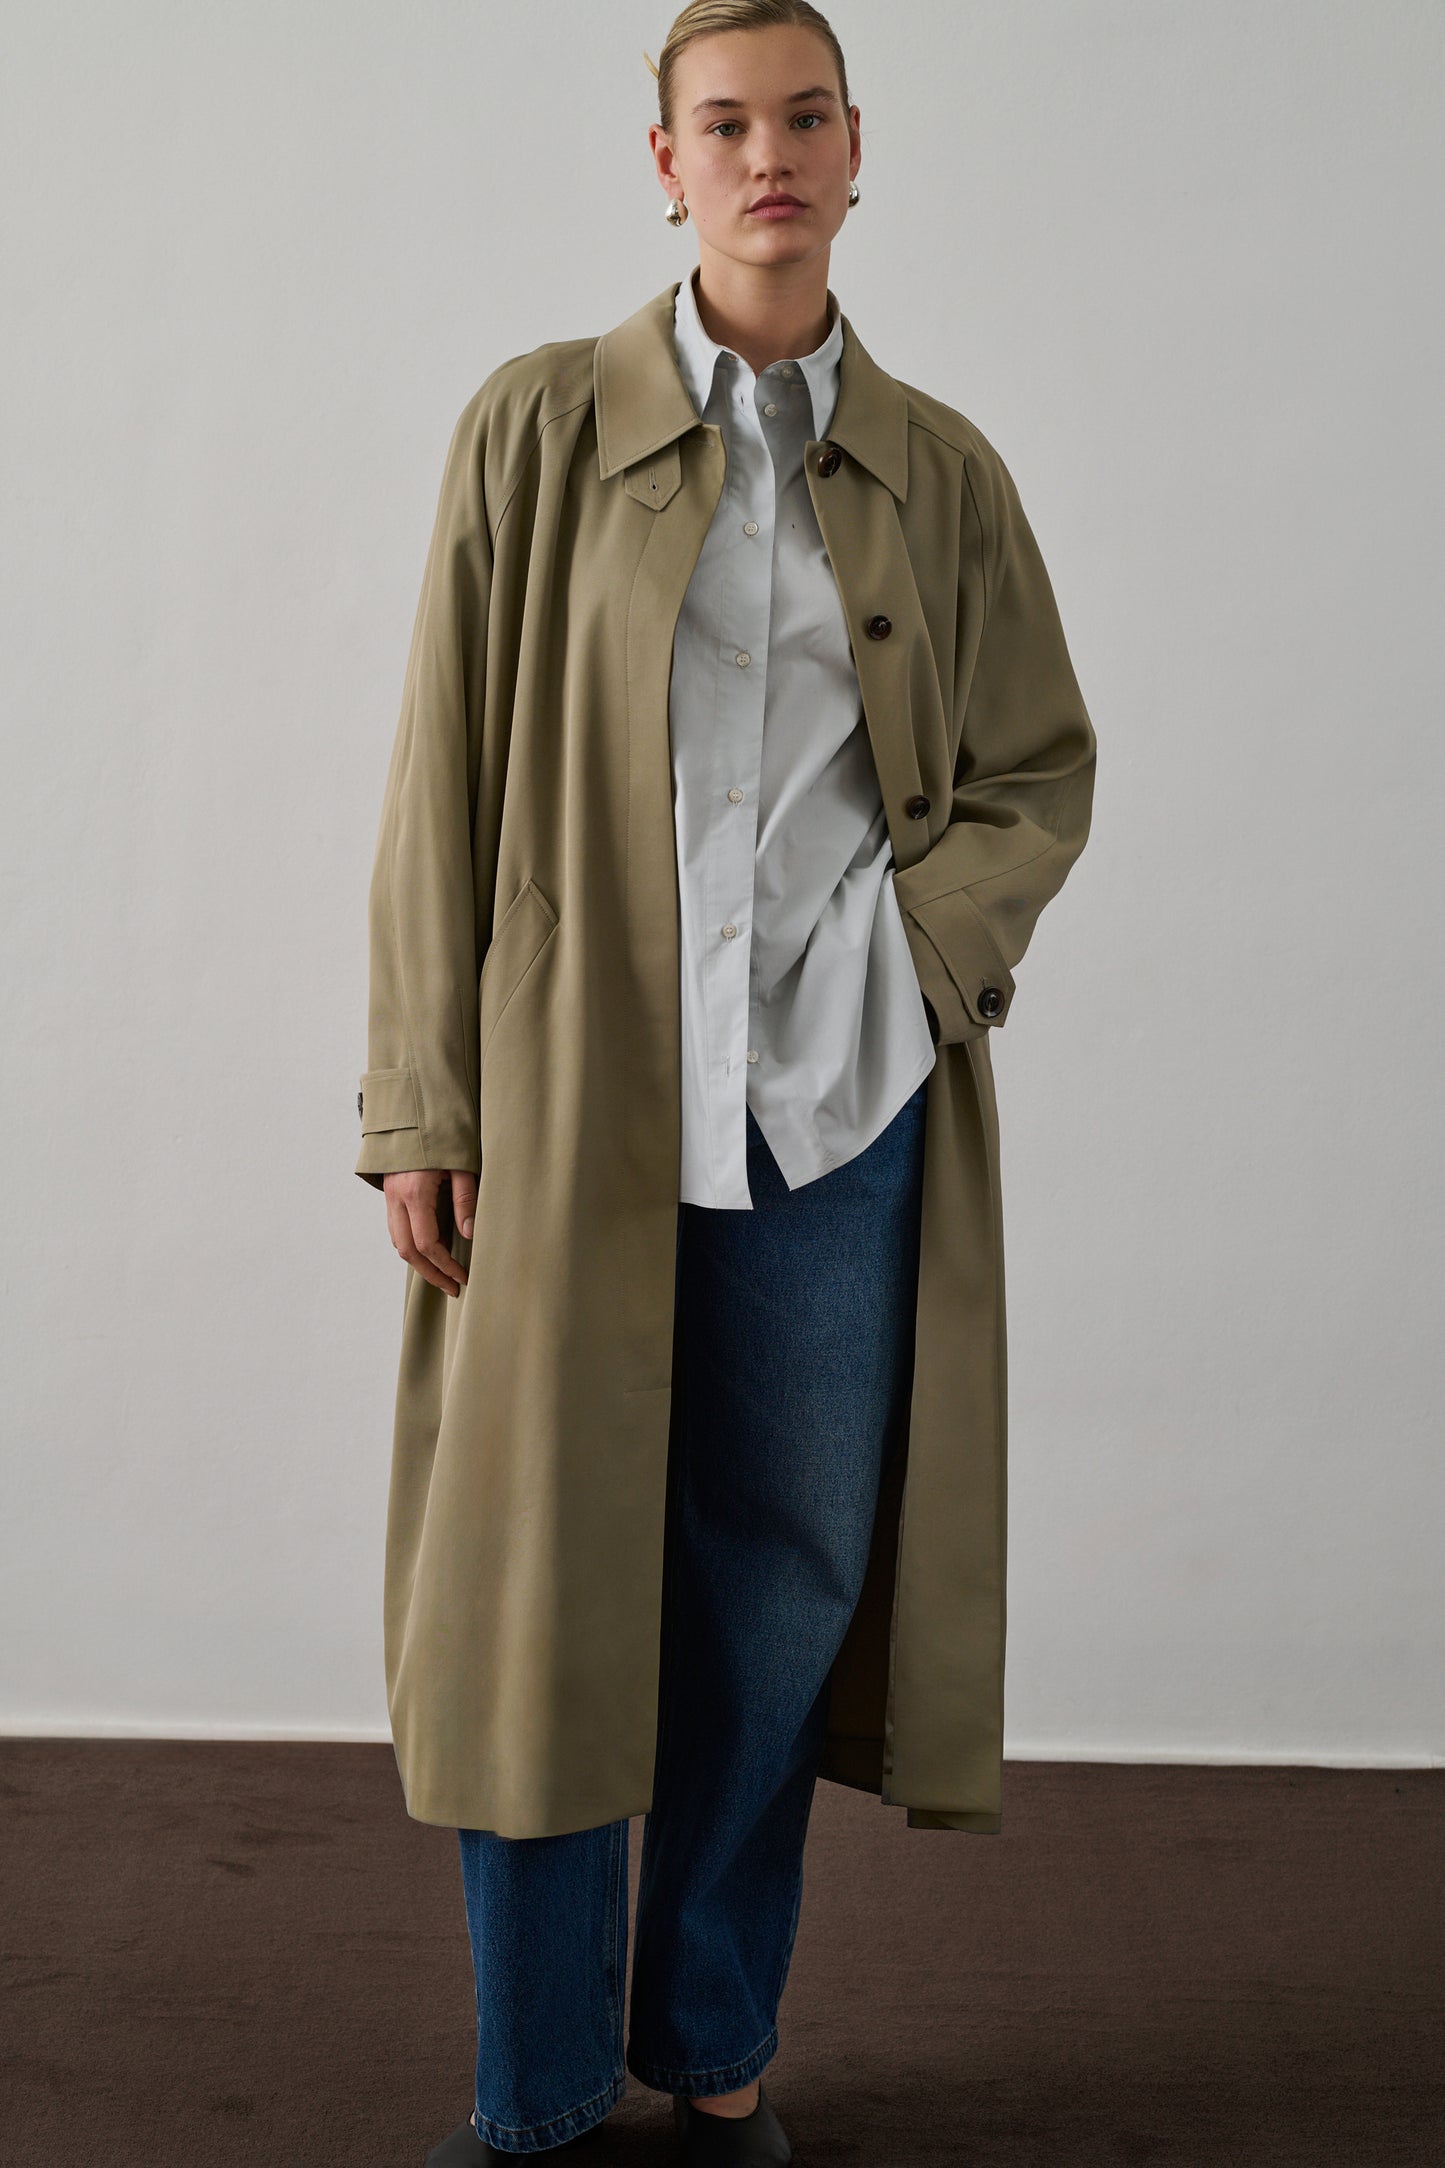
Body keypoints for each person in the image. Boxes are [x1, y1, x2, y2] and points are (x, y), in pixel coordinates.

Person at [354, 4, 1096, 2161]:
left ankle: (712, 2046)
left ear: (858, 150)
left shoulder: (942, 472)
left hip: (833, 1121)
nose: (767, 154)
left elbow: (1037, 772)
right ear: (663, 163)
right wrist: (419, 1100)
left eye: (803, 117)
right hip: (572, 1110)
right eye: (723, 122)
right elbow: (437, 781)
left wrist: (908, 962)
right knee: (537, 1602)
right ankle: (536, 2092)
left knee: (775, 1604)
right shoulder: (535, 428)